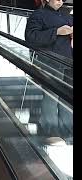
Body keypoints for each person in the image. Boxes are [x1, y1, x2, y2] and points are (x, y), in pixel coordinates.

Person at [24, 0, 73, 145]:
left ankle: (68, 131)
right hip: (50, 62)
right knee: (51, 97)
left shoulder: (67, 15)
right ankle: (51, 131)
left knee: (68, 98)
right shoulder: (38, 15)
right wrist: (56, 31)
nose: (60, 1)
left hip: (69, 63)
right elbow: (31, 37)